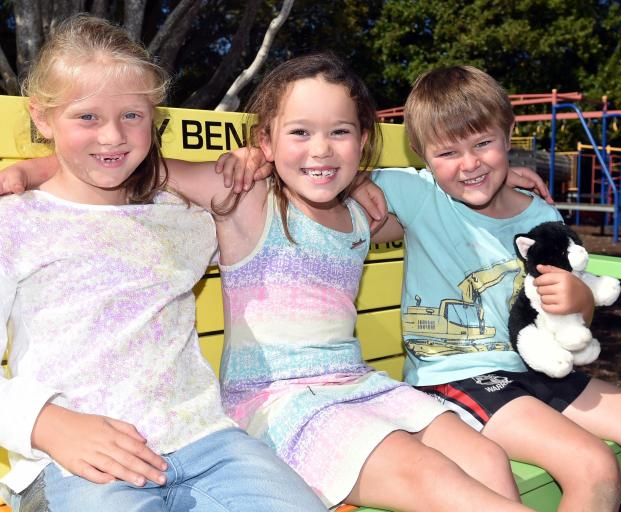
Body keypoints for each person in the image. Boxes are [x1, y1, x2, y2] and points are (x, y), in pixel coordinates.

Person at [0, 15, 329, 512]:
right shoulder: (15, 222)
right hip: (77, 464)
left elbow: (281, 201)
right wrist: (47, 424)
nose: (112, 136)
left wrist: (260, 163)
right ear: (42, 118)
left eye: (132, 116)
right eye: (86, 117)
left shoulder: (181, 217)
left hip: (210, 444)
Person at [201, 53, 542, 512]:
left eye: (339, 132)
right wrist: (241, 160)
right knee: (432, 475)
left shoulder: (362, 216)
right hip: (278, 401)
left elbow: (445, 201)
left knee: (486, 458)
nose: (321, 149)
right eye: (299, 132)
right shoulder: (248, 202)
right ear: (267, 138)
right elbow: (145, 170)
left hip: (361, 388)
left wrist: (500, 183)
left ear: (362, 140)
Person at [364, 65, 621, 511]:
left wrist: (581, 301)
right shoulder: (418, 195)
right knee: (593, 464)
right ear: (422, 156)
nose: (469, 164)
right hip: (458, 377)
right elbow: (330, 188)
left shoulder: (541, 219)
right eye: (447, 152)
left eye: (482, 144)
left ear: (508, 137)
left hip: (539, 369)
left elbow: (567, 321)